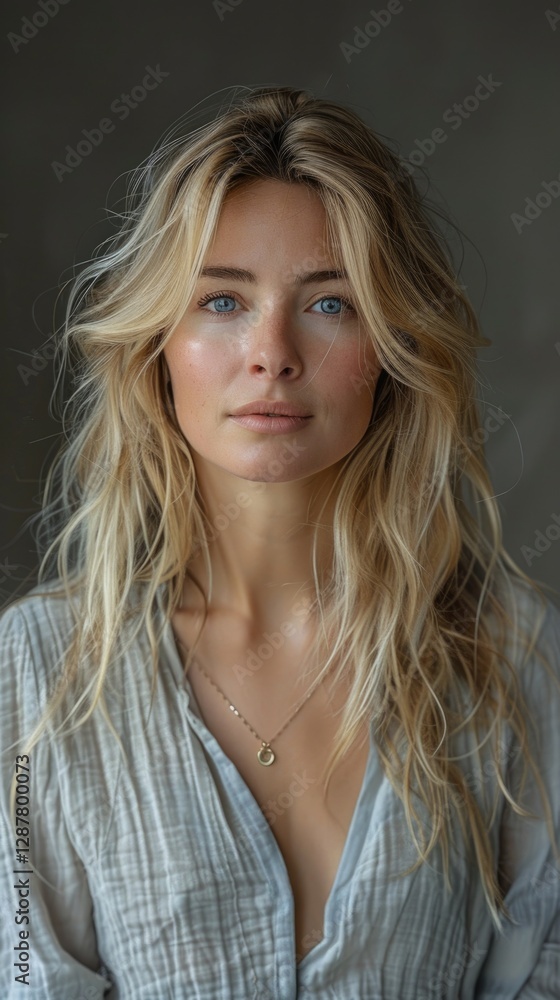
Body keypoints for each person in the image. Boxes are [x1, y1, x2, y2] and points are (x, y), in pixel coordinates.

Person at [1, 85, 559, 1000]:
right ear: (157, 345)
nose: (272, 353)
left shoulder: (512, 653)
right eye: (222, 300)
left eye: (331, 304)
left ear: (391, 346)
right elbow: (25, 977)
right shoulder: (40, 674)